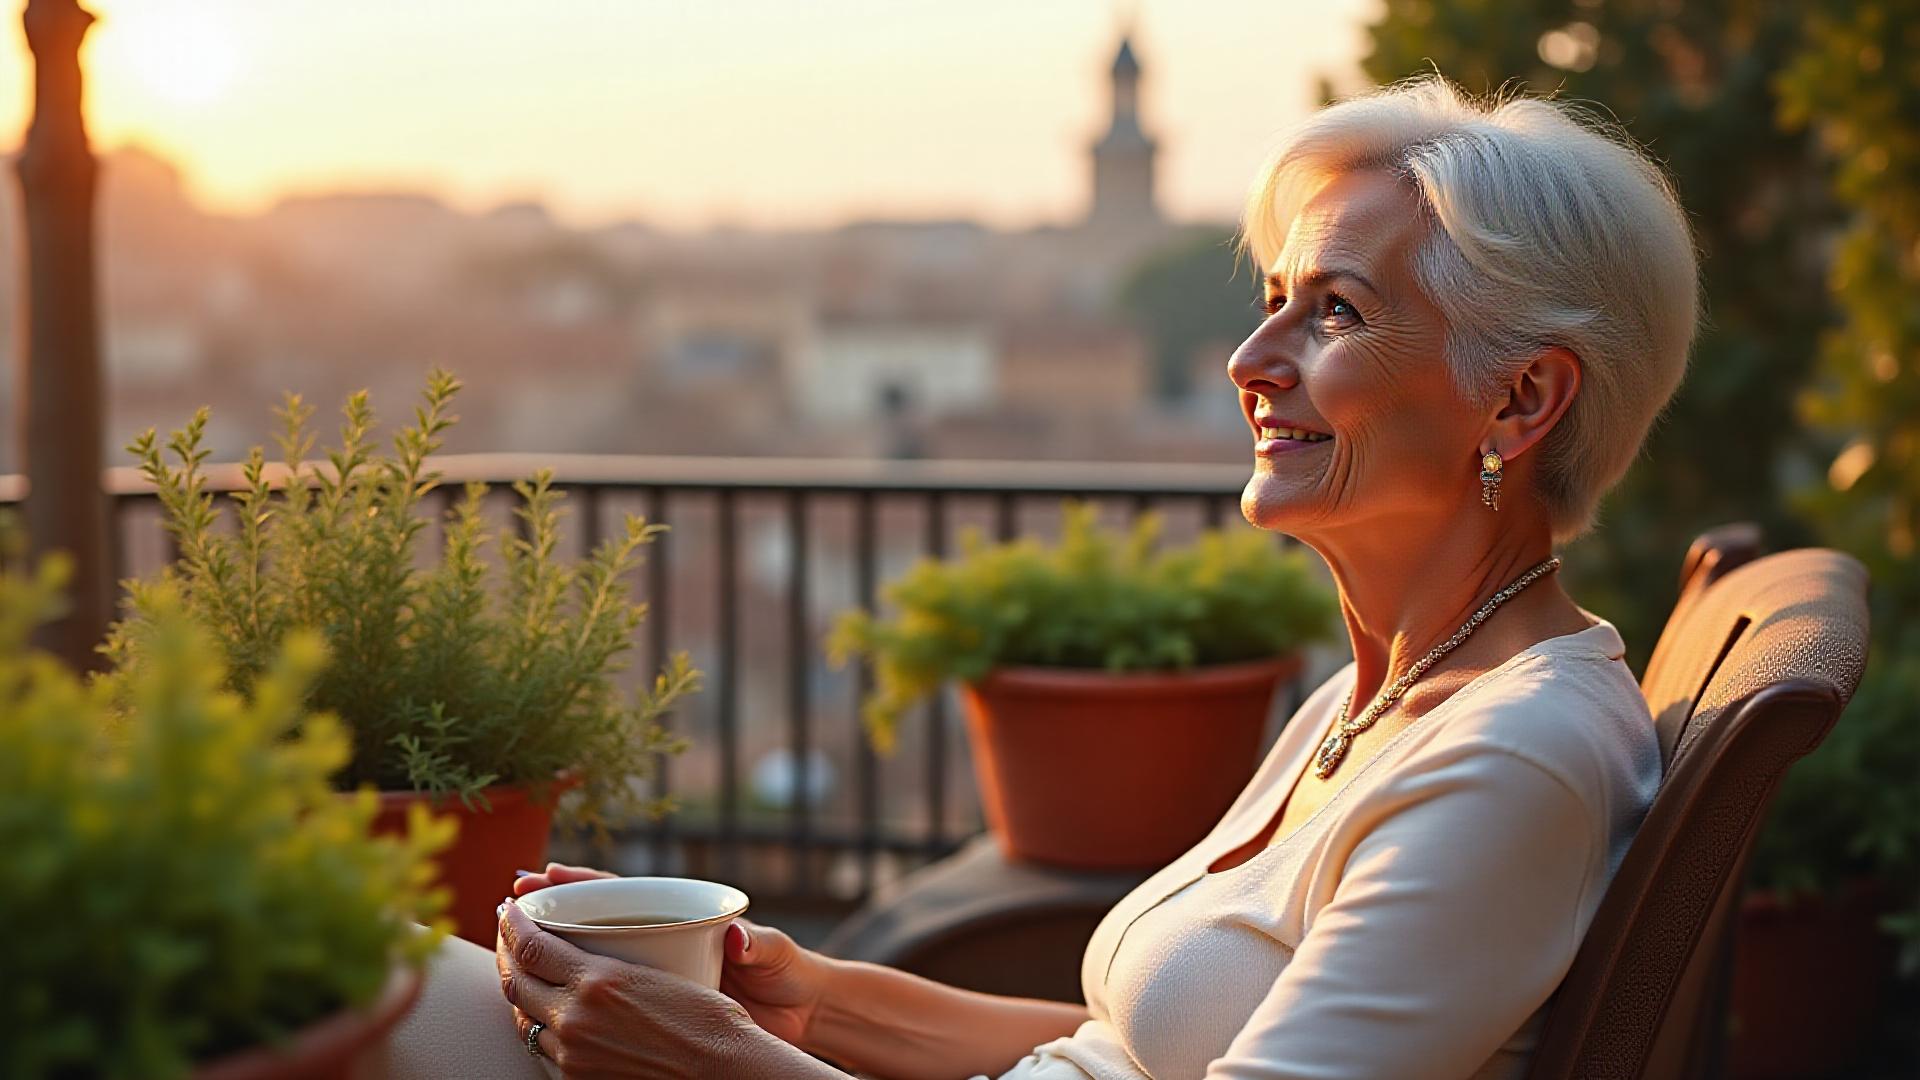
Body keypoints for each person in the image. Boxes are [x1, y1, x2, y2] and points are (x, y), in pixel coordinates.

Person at [382, 74, 1697, 1079]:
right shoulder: (1384, 697)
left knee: (299, 987)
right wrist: (800, 996)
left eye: (1335, 312)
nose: (1250, 357)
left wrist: (722, 1062)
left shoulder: (1511, 759)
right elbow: (1129, 1047)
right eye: (1276, 297)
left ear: (1520, 399)